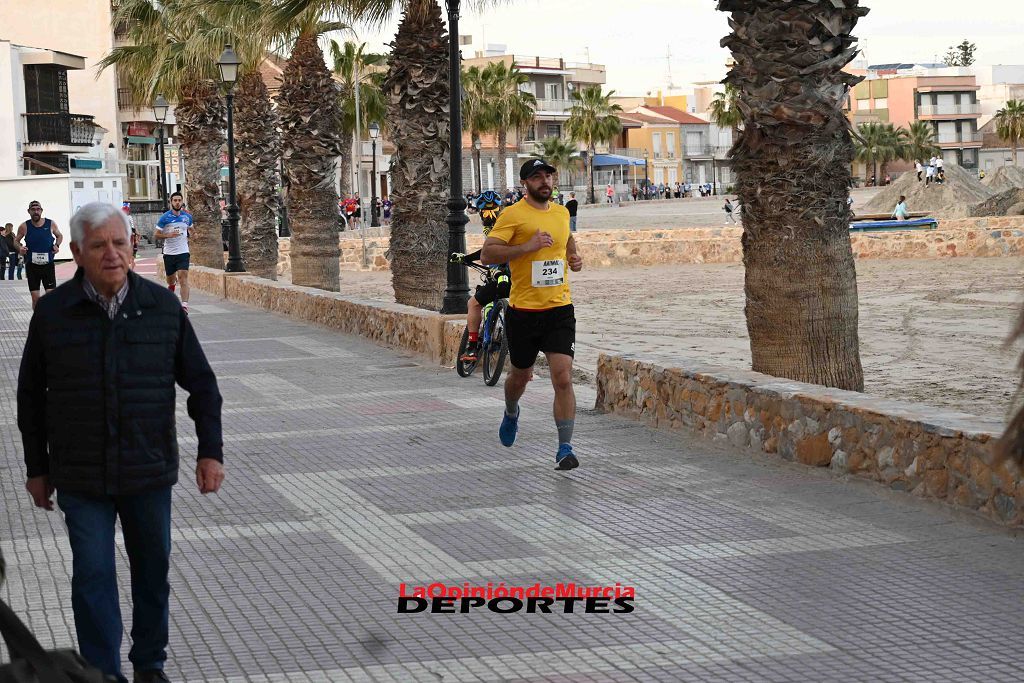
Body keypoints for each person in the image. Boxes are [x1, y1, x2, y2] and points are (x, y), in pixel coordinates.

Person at [17, 201, 224, 683]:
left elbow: (203, 385)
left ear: (133, 246)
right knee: (92, 577)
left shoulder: (163, 307)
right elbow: (30, 398)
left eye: (119, 242)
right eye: (98, 245)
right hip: (80, 474)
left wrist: (210, 452)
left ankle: (150, 667)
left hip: (147, 470)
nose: (112, 253)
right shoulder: (52, 313)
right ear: (76, 252)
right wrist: (36, 469)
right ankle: (102, 674)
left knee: (152, 573)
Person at [481, 158, 583, 471]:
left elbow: (566, 238)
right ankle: (511, 410)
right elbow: (487, 254)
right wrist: (527, 246)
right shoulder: (513, 215)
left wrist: (574, 256)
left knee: (563, 378)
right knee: (519, 376)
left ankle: (565, 447)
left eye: (548, 175)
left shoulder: (562, 212)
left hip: (559, 309)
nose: (545, 181)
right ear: (525, 183)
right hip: (524, 311)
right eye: (537, 177)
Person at [452, 190, 509, 363]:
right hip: (520, 276)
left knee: (473, 303)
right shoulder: (506, 221)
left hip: (503, 274)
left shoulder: (495, 227)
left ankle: (472, 347)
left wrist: (466, 258)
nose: (487, 214)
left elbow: (491, 251)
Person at [15, 200, 62, 309]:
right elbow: (16, 241)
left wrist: (57, 245)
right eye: (33, 210)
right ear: (29, 211)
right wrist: (20, 248)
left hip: (48, 265)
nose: (36, 212)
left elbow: (59, 236)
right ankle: (38, 322)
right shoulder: (24, 226)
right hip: (32, 267)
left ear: (41, 210)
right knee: (35, 298)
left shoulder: (50, 223)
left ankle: (49, 321)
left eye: (38, 209)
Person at [154, 191, 193, 314]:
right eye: (175, 200)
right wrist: (168, 235)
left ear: (182, 202)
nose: (177, 202)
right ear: (171, 202)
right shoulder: (165, 217)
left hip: (183, 252)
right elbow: (156, 234)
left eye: (179, 200)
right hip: (169, 253)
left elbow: (191, 229)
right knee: (171, 280)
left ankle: (184, 306)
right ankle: (171, 286)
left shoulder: (187, 217)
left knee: (183, 277)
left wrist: (193, 234)